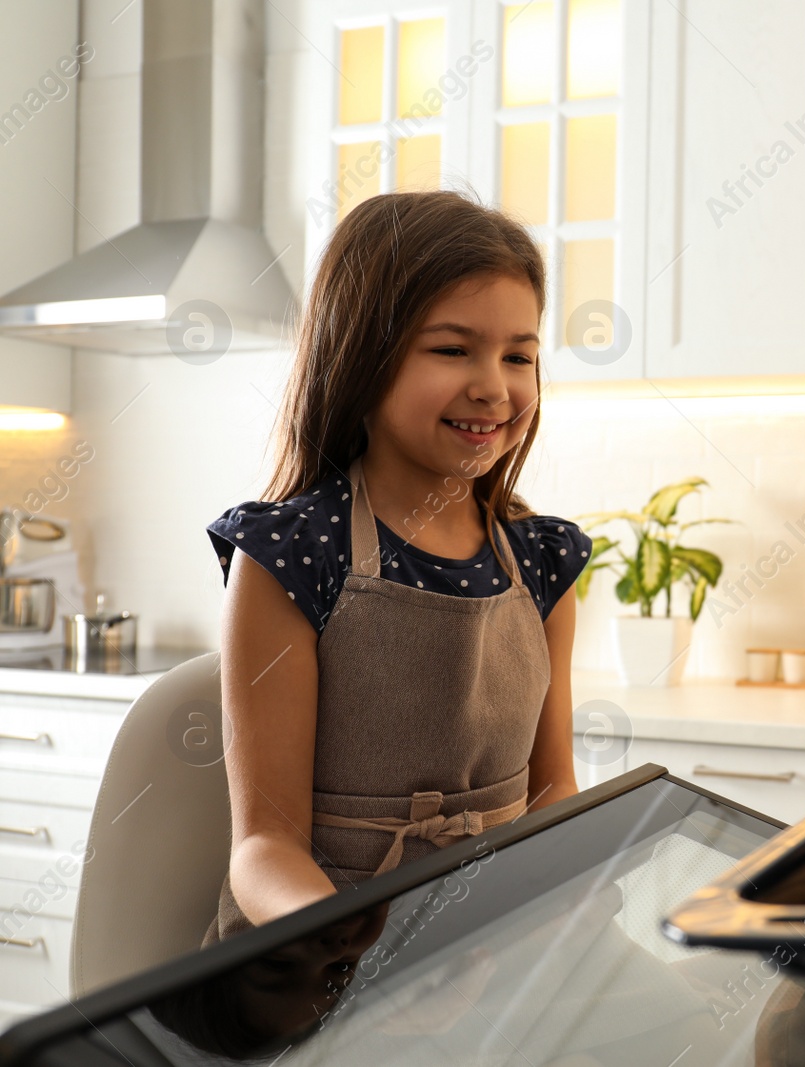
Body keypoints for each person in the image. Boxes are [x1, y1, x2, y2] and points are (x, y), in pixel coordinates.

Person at [202, 190, 589, 944]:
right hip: (314, 957)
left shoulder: (544, 560)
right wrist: (362, 957)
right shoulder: (290, 555)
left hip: (491, 941)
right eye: (452, 349)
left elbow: (553, 794)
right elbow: (263, 849)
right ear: (361, 357)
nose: (494, 385)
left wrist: (554, 930)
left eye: (520, 355)